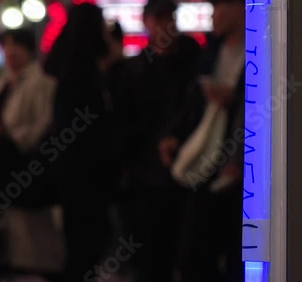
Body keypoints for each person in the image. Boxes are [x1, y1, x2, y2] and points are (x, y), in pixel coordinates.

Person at [159, 0, 245, 281]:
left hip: (240, 164)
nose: (213, 17)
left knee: (238, 248)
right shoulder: (209, 53)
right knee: (195, 248)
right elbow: (191, 103)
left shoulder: (261, 53)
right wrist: (175, 135)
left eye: (220, 9)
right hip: (206, 153)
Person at [119, 0, 202, 281]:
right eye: (159, 18)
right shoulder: (136, 69)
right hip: (148, 173)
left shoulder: (193, 61)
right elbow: (129, 121)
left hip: (190, 166)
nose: (165, 25)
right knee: (153, 252)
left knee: (188, 249)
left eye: (168, 18)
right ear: (147, 22)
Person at [44, 4, 114, 281]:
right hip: (90, 173)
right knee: (88, 243)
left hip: (69, 172)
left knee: (77, 242)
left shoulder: (65, 72)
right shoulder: (89, 77)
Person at [0, 29, 62, 281]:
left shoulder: (41, 82)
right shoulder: (6, 82)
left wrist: (12, 140)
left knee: (33, 241)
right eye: (6, 45)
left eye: (15, 45)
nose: (9, 51)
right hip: (6, 167)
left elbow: (42, 123)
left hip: (26, 167)